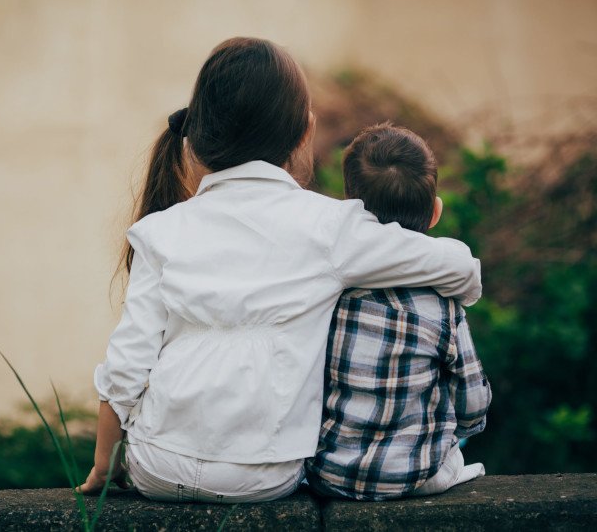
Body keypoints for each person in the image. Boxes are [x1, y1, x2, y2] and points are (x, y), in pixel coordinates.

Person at [77, 38, 482, 503]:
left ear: (195, 135)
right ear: (305, 131)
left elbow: (126, 366)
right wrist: (464, 287)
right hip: (264, 475)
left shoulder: (160, 231)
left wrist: (105, 467)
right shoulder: (331, 229)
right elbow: (457, 266)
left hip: (156, 466)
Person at [305, 123, 492, 501]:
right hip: (413, 479)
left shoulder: (331, 290)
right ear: (435, 211)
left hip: (328, 475)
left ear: (351, 208)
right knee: (458, 450)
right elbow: (473, 408)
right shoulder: (444, 307)